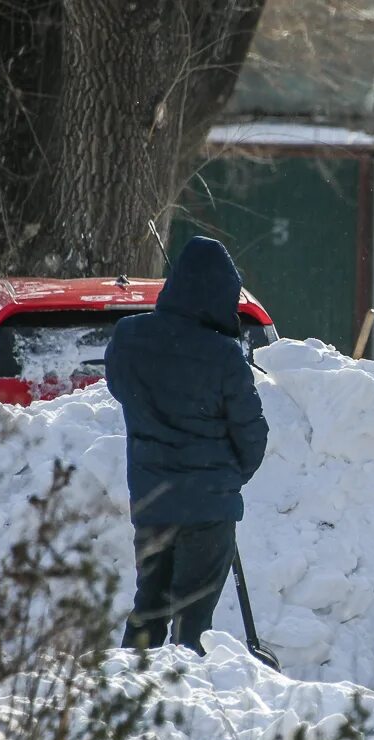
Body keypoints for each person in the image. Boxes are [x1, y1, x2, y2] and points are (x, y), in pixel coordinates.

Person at [105, 236, 269, 655]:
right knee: (193, 621)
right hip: (208, 512)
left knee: (149, 609)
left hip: (152, 504)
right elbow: (252, 435)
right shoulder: (224, 356)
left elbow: (120, 389)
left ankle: (127, 696)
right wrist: (226, 477)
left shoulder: (129, 337)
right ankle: (185, 705)